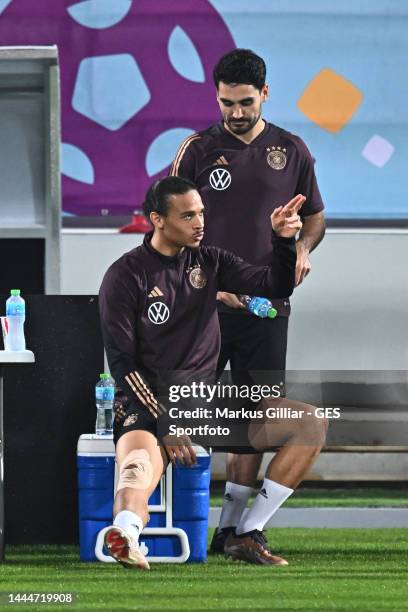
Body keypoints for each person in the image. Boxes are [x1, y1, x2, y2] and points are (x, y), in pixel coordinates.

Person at [98, 176, 327, 569]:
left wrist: (284, 241)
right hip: (150, 405)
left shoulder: (211, 261)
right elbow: (123, 363)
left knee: (308, 424)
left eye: (201, 212)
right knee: (137, 467)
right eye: (188, 215)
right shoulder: (124, 276)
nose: (200, 222)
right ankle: (126, 532)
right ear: (158, 219)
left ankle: (245, 532)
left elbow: (275, 285)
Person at [169, 48, 326, 553]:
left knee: (255, 417)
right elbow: (167, 227)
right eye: (226, 103)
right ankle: (165, 522)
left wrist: (300, 247)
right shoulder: (196, 150)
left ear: (265, 94)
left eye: (244, 102)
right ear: (216, 96)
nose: (235, 112)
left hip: (266, 308)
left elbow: (317, 216)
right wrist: (205, 286)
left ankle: (236, 531)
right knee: (188, 413)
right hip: (205, 308)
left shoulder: (292, 150)